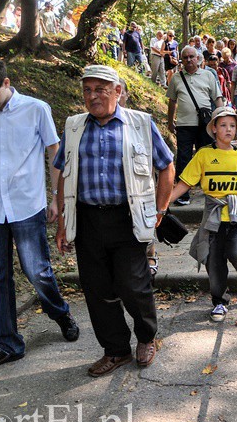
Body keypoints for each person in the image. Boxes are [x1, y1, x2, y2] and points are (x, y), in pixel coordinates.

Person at [54, 65, 174, 377]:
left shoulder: (140, 124)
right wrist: (62, 222)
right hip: (88, 219)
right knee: (96, 288)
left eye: (100, 90)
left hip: (128, 217)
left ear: (117, 91)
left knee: (132, 284)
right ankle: (116, 349)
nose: (92, 96)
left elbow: (167, 167)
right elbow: (64, 174)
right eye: (87, 90)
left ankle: (146, 337)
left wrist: (159, 210)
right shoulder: (74, 127)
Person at [0, 54, 79, 372]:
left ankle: (61, 313)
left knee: (37, 271)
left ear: (6, 83)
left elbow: (54, 153)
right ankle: (8, 344)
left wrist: (56, 199)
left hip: (27, 203)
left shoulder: (37, 109)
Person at [169, 108, 237, 322]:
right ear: (214, 129)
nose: (229, 130)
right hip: (214, 218)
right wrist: (164, 203)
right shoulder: (204, 155)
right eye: (223, 125)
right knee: (213, 262)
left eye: (232, 126)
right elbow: (185, 183)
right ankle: (219, 302)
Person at [167, 45, 224, 206]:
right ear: (182, 60)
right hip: (184, 124)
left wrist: (221, 120)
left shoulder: (207, 75)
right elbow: (172, 101)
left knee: (207, 156)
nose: (189, 60)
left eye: (192, 56)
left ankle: (211, 190)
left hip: (205, 124)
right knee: (184, 158)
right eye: (185, 57)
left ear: (198, 58)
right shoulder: (176, 78)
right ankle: (183, 193)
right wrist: (170, 121)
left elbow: (217, 98)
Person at [119, 78, 160, 278]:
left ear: (126, 94)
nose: (117, 96)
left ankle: (151, 254)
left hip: (142, 185)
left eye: (121, 91)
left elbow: (161, 160)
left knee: (145, 225)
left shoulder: (140, 122)